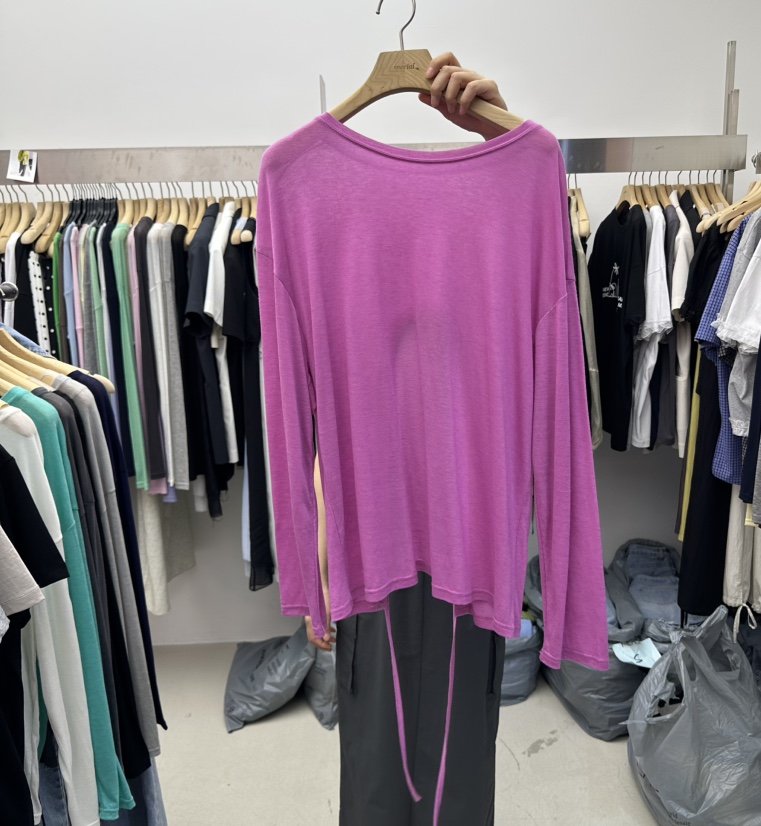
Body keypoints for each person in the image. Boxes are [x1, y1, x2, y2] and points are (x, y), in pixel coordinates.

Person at [305, 53, 512, 826]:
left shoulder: (498, 233)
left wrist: (501, 138)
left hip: (471, 549)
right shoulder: (323, 222)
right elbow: (324, 410)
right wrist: (320, 553)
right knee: (375, 775)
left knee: (461, 776)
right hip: (372, 549)